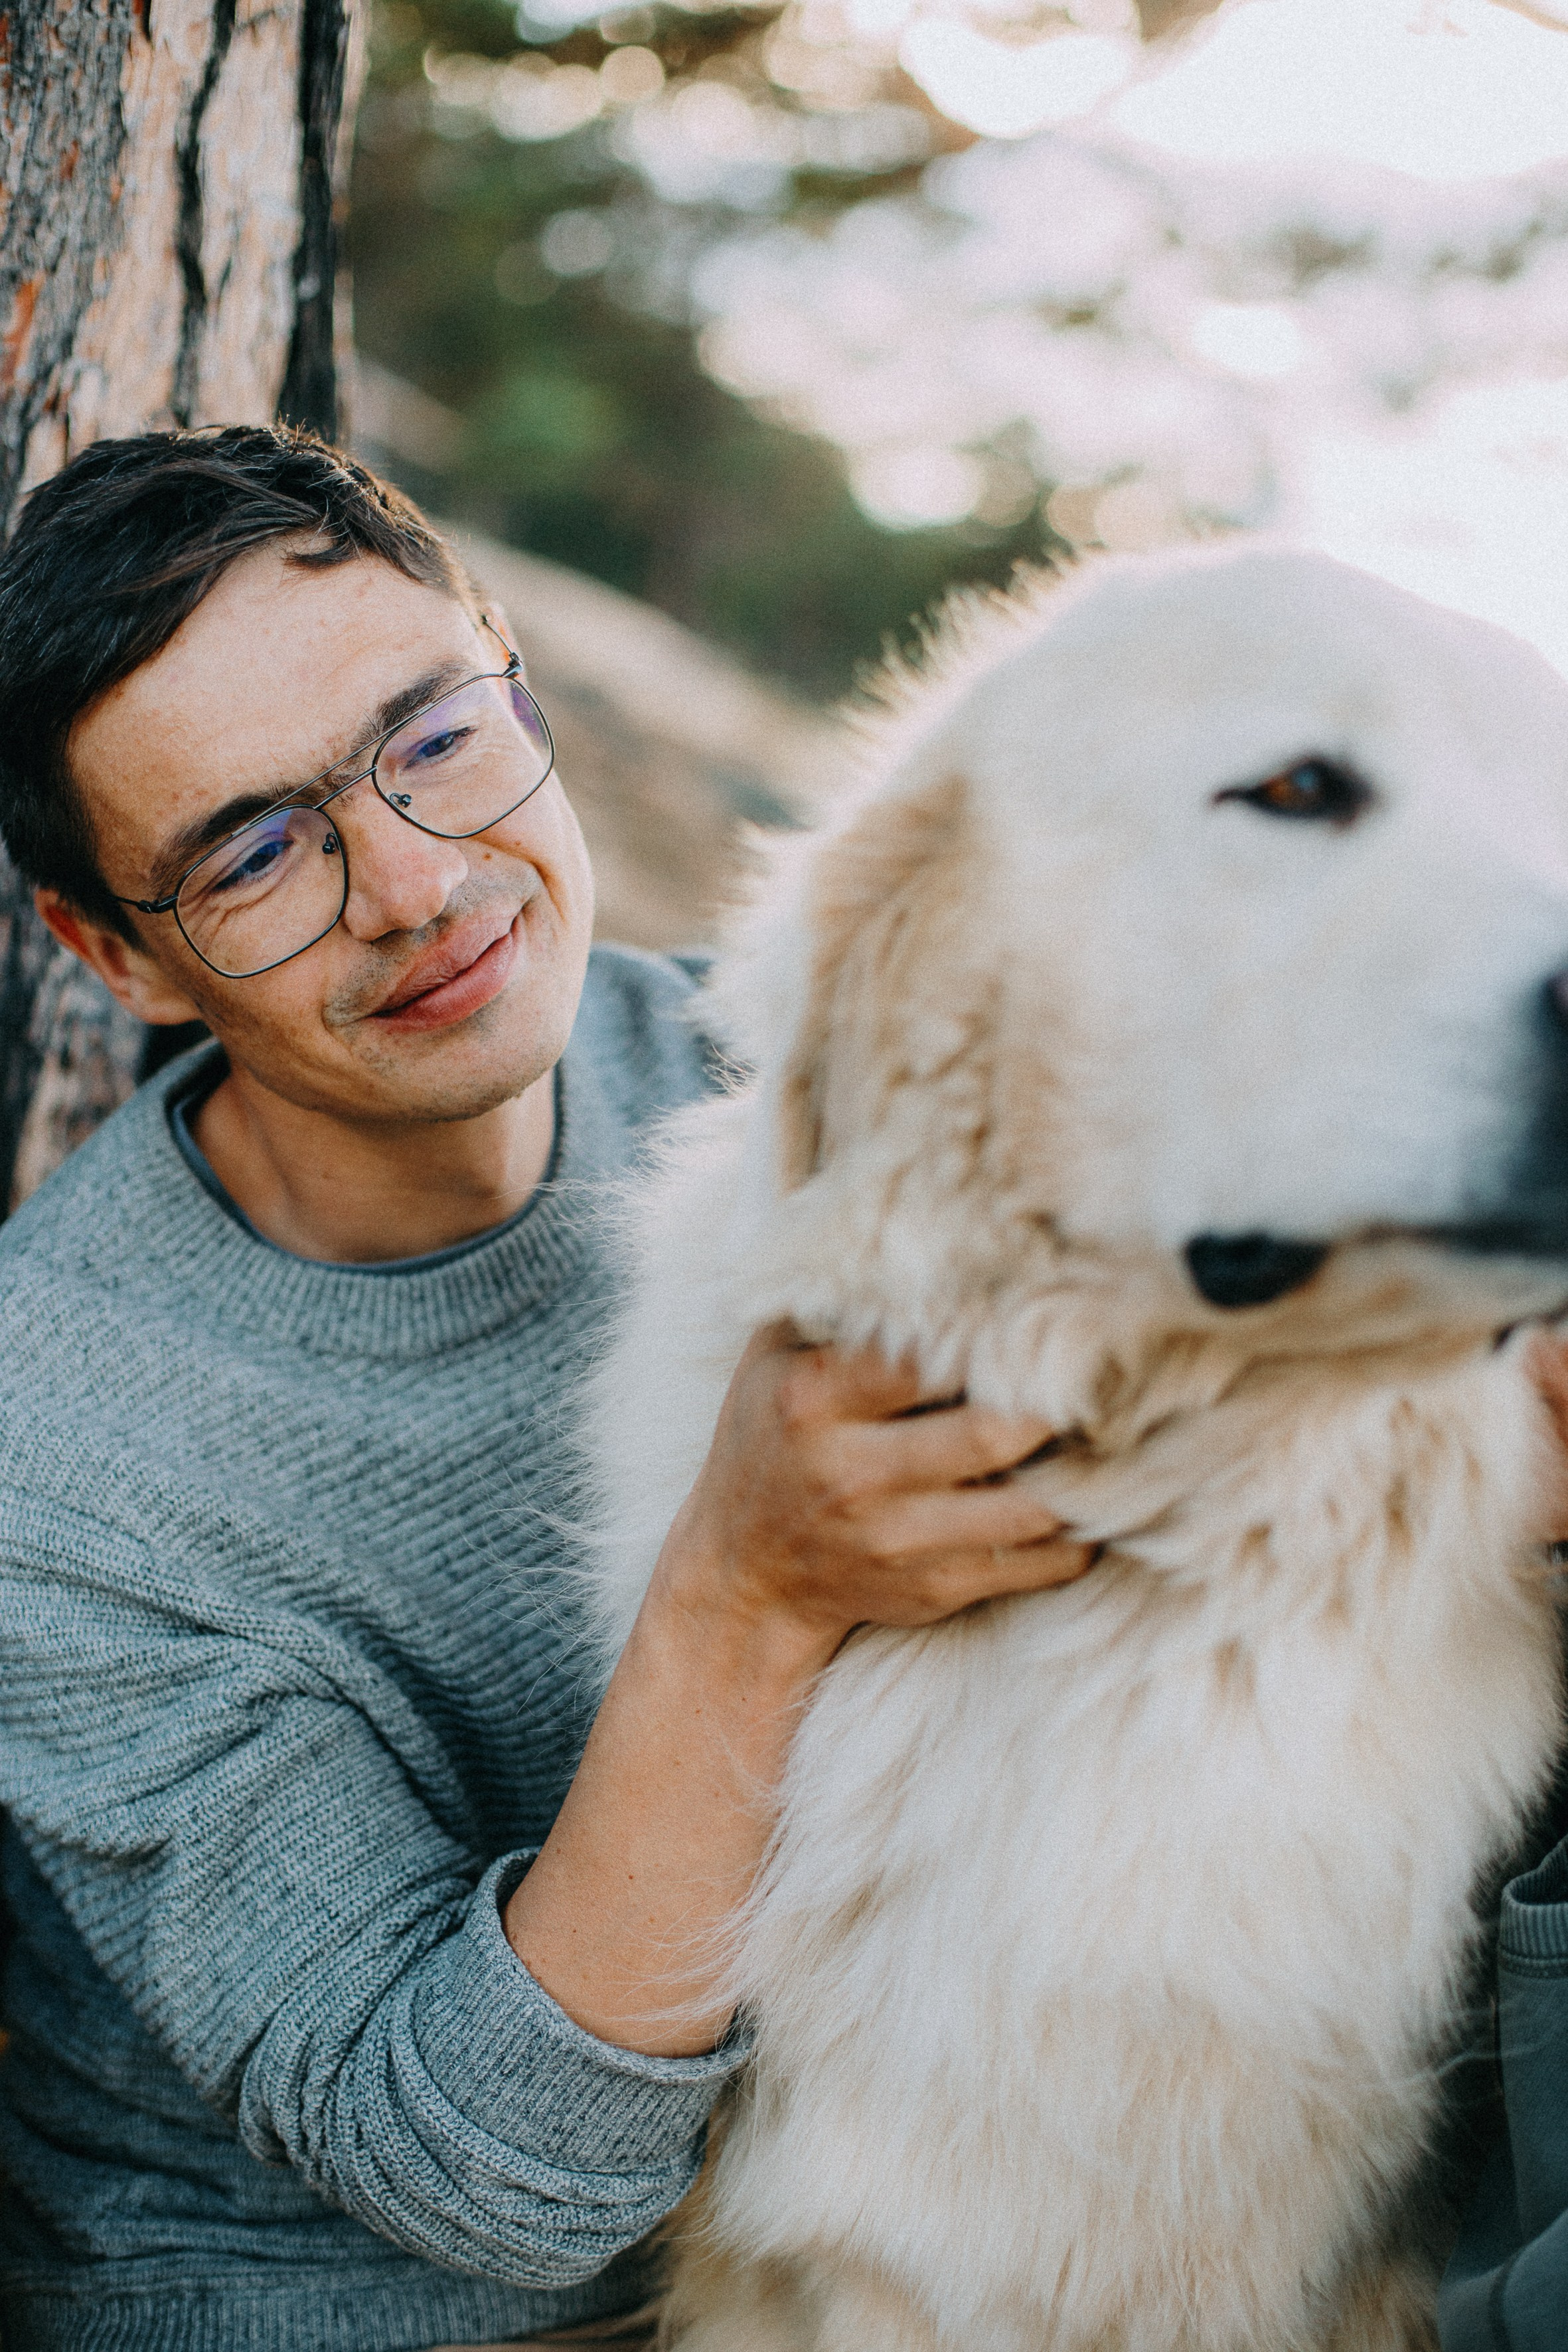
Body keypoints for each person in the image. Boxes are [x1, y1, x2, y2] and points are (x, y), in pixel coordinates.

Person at [0, 426, 1095, 2352]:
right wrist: (747, 1595)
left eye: (432, 738)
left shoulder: (759, 1069)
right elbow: (482, 2181)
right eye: (255, 854)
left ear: (510, 664)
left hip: (831, 2236)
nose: (416, 887)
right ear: (115, 953)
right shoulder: (57, 1449)